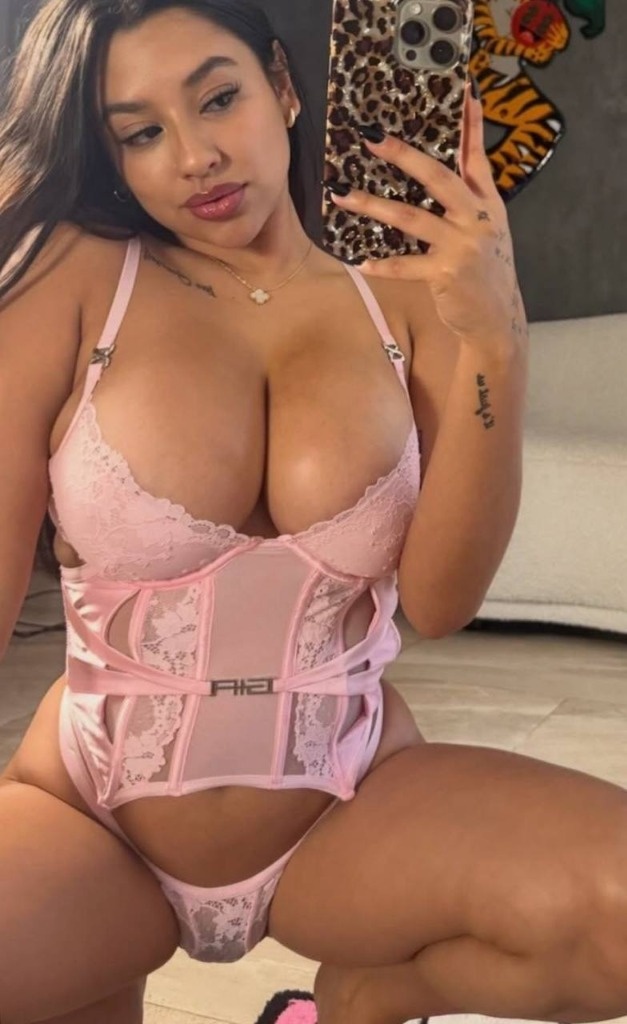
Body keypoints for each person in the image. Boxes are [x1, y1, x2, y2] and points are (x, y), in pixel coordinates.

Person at [1, 1, 627, 1022]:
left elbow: (443, 600)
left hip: (346, 805)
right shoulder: (72, 279)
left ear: (283, 87)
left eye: (218, 99)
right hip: (91, 822)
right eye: (142, 132)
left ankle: (361, 1002)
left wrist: (496, 343)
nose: (196, 156)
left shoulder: (410, 303)